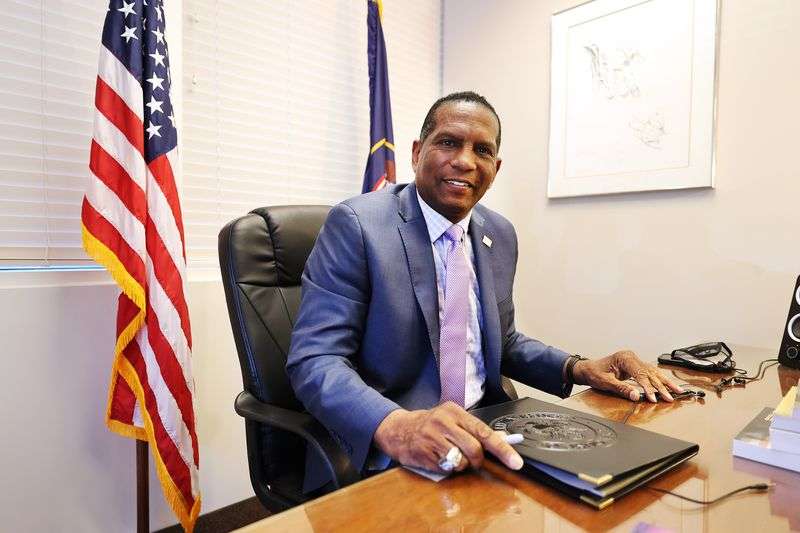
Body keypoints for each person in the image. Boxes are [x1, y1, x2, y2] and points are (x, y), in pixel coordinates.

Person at [286, 91, 683, 491]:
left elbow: (501, 341)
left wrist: (579, 368)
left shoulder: (499, 233)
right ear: (416, 151)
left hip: (488, 431)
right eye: (448, 142)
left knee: (620, 488)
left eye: (482, 149)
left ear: (496, 166)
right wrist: (399, 426)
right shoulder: (357, 224)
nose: (464, 160)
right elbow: (316, 360)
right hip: (391, 445)